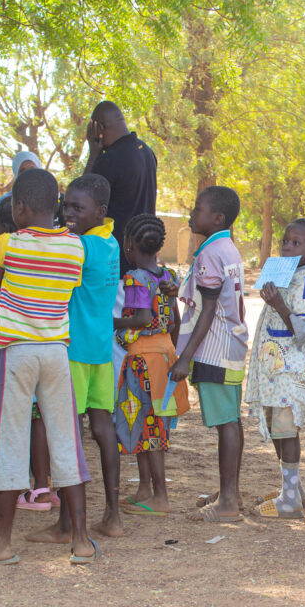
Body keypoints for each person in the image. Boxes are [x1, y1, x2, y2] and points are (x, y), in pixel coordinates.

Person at [0, 168, 97, 564]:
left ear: (19, 207)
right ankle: (80, 541)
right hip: (56, 353)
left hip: (18, 352)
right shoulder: (76, 247)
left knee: (9, 442)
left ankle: (2, 544)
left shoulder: (8, 244)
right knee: (67, 441)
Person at [27, 174, 125, 542]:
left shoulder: (79, 246)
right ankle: (112, 515)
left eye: (77, 208)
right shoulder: (110, 243)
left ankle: (67, 524)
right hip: (101, 349)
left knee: (67, 432)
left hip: (73, 350)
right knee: (102, 427)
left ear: (100, 211)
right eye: (65, 205)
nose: (68, 213)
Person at [172, 186, 248, 523]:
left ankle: (228, 501)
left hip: (214, 350)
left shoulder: (209, 254)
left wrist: (185, 357)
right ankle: (230, 491)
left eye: (198, 208)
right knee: (231, 420)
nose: (191, 213)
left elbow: (208, 309)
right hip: (231, 345)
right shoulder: (226, 248)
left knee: (226, 424)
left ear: (217, 217)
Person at [245, 219, 305, 519]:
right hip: (273, 371)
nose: (287, 248)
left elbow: (303, 329)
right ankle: (294, 489)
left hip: (292, 371)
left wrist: (278, 303)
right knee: (278, 428)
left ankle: (290, 498)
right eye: (285, 242)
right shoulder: (284, 274)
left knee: (286, 428)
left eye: (296, 244)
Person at [115, 214, 185, 516]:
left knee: (151, 428)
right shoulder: (168, 277)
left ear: (129, 244)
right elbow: (175, 321)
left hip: (143, 361)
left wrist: (110, 321)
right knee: (144, 426)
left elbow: (142, 319)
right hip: (164, 355)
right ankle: (144, 490)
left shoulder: (134, 278)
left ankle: (160, 496)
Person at [84, 100, 157, 273]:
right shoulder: (146, 151)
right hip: (144, 259)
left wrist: (93, 154)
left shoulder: (110, 159)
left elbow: (82, 198)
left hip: (116, 262)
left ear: (99, 129)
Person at [0, 151, 43, 254]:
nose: (28, 175)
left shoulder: (47, 202)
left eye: (32, 170)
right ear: (16, 173)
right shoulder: (2, 203)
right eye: (22, 171)